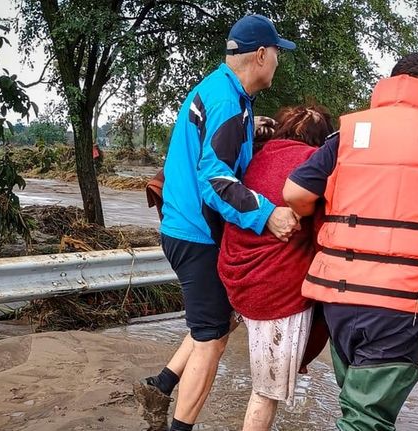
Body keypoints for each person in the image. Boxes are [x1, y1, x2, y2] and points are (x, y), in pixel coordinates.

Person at [283, 53, 418, 430]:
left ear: (392, 83)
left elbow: (294, 193)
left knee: (354, 405)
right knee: (365, 419)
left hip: (339, 298)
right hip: (402, 301)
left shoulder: (349, 134)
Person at [134, 15, 299, 431]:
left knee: (214, 320)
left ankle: (161, 383)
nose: (278, 61)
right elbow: (215, 180)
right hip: (198, 234)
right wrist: (268, 214)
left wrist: (252, 129)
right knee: (212, 339)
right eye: (276, 52)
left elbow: (217, 147)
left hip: (183, 225)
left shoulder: (227, 94)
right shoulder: (228, 103)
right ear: (260, 55)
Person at [217, 105, 334, 430]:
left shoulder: (257, 156)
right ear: (323, 139)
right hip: (276, 292)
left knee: (206, 344)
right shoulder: (314, 168)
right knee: (265, 393)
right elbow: (325, 236)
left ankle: (166, 386)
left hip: (235, 277)